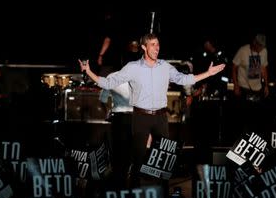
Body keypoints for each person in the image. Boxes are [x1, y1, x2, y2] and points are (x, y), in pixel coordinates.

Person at [80, 33, 225, 185]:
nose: (157, 48)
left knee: (164, 160)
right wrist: (88, 71)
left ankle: (162, 195)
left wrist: (208, 73)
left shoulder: (165, 66)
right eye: (153, 45)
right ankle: (133, 194)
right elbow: (108, 83)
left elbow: (184, 79)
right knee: (138, 159)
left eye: (158, 44)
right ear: (144, 47)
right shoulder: (133, 68)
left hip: (160, 117)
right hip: (140, 117)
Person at [99, 77, 133, 188]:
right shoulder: (139, 75)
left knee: (118, 152)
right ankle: (129, 182)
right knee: (131, 152)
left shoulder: (112, 77)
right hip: (136, 118)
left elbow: (103, 100)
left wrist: (108, 110)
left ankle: (118, 183)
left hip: (119, 118)